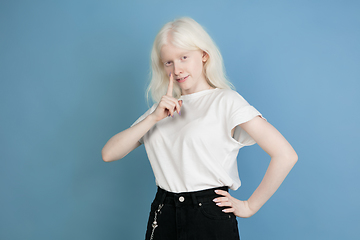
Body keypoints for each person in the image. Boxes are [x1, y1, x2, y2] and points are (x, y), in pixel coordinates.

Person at [101, 17, 298, 240]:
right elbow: (109, 154)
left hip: (208, 215)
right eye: (168, 62)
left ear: (204, 55)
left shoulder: (226, 101)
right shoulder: (162, 110)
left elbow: (285, 155)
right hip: (163, 211)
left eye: (184, 57)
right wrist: (152, 118)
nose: (177, 69)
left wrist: (250, 206)